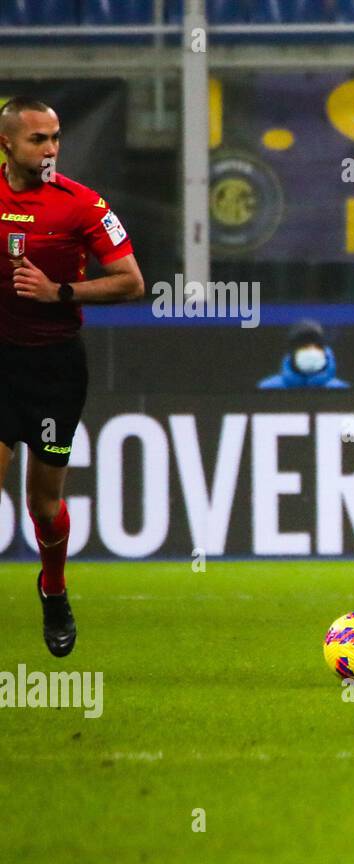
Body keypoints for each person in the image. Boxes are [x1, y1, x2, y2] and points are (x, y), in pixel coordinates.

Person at [0, 95, 146, 657]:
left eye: (56, 137)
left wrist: (59, 292)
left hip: (55, 365)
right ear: (7, 143)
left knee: (43, 504)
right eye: (39, 139)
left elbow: (131, 282)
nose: (52, 148)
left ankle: (53, 587)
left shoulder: (80, 204)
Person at [258, 318, 349, 390]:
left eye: (316, 346)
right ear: (293, 352)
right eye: (304, 346)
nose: (311, 351)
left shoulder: (341, 390)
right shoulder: (268, 389)